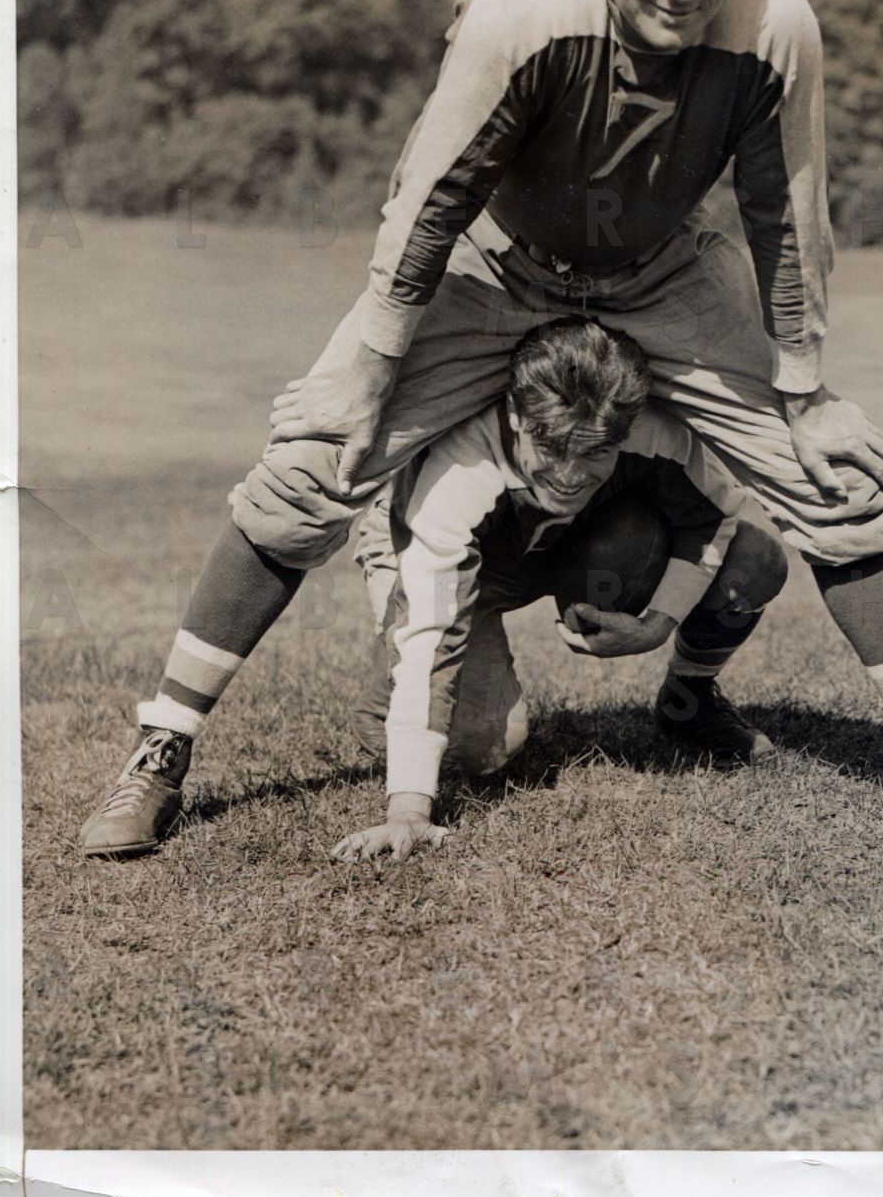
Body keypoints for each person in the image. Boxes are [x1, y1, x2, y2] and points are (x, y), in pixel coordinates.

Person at [80, 0, 883, 858]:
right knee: (314, 462)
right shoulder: (524, 7)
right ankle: (162, 749)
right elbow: (429, 199)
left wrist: (805, 391)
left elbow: (787, 212)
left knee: (836, 483)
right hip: (495, 260)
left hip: (662, 268)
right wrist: (367, 371)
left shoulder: (776, 24)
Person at [330, 316, 788, 864]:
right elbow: (436, 629)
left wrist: (657, 624)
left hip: (558, 545)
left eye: (594, 451)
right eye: (551, 445)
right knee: (484, 746)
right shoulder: (461, 468)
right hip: (441, 562)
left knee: (755, 558)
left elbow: (711, 518)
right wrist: (408, 809)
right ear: (517, 416)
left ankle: (689, 704)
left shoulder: (639, 427)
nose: (570, 474)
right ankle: (392, 699)